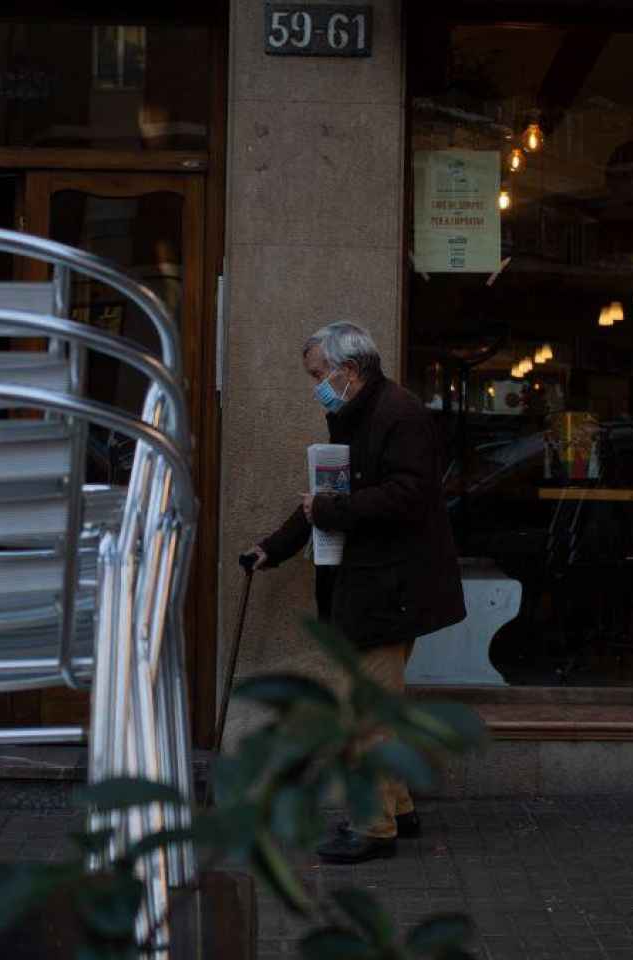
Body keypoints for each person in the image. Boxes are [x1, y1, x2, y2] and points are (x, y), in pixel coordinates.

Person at [244, 321, 466, 864]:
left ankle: (373, 827)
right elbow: (325, 498)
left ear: (350, 369)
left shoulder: (399, 414)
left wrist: (328, 511)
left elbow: (407, 496)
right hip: (375, 585)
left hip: (391, 588)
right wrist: (273, 547)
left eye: (320, 374)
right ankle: (399, 808)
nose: (316, 384)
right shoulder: (356, 413)